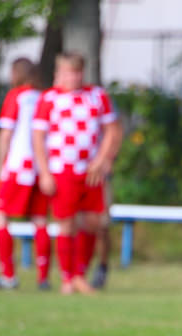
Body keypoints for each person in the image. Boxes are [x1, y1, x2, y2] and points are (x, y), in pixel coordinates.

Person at [32, 52, 122, 295]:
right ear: (57, 74)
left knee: (93, 222)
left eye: (76, 72)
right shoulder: (48, 99)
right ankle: (67, 278)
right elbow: (38, 138)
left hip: (90, 171)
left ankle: (80, 273)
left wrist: (102, 160)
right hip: (62, 169)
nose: (72, 77)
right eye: (67, 72)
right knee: (66, 224)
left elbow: (112, 130)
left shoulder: (96, 95)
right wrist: (45, 172)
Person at [0, 57, 52, 290]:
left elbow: (6, 134)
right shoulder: (44, 97)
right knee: (40, 221)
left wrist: (1, 165)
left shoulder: (16, 96)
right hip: (41, 166)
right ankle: (43, 278)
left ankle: (8, 276)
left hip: (18, 165)